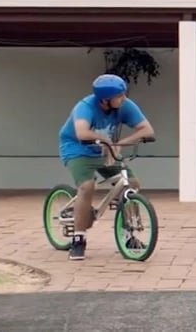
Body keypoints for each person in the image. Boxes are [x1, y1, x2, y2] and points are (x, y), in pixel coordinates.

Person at [58, 74, 155, 261]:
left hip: (105, 150)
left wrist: (119, 144)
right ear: (105, 100)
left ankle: (128, 235)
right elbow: (82, 132)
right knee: (87, 187)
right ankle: (79, 238)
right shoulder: (85, 107)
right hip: (78, 149)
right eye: (119, 96)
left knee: (132, 183)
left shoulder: (125, 106)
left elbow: (147, 129)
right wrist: (107, 141)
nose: (124, 99)